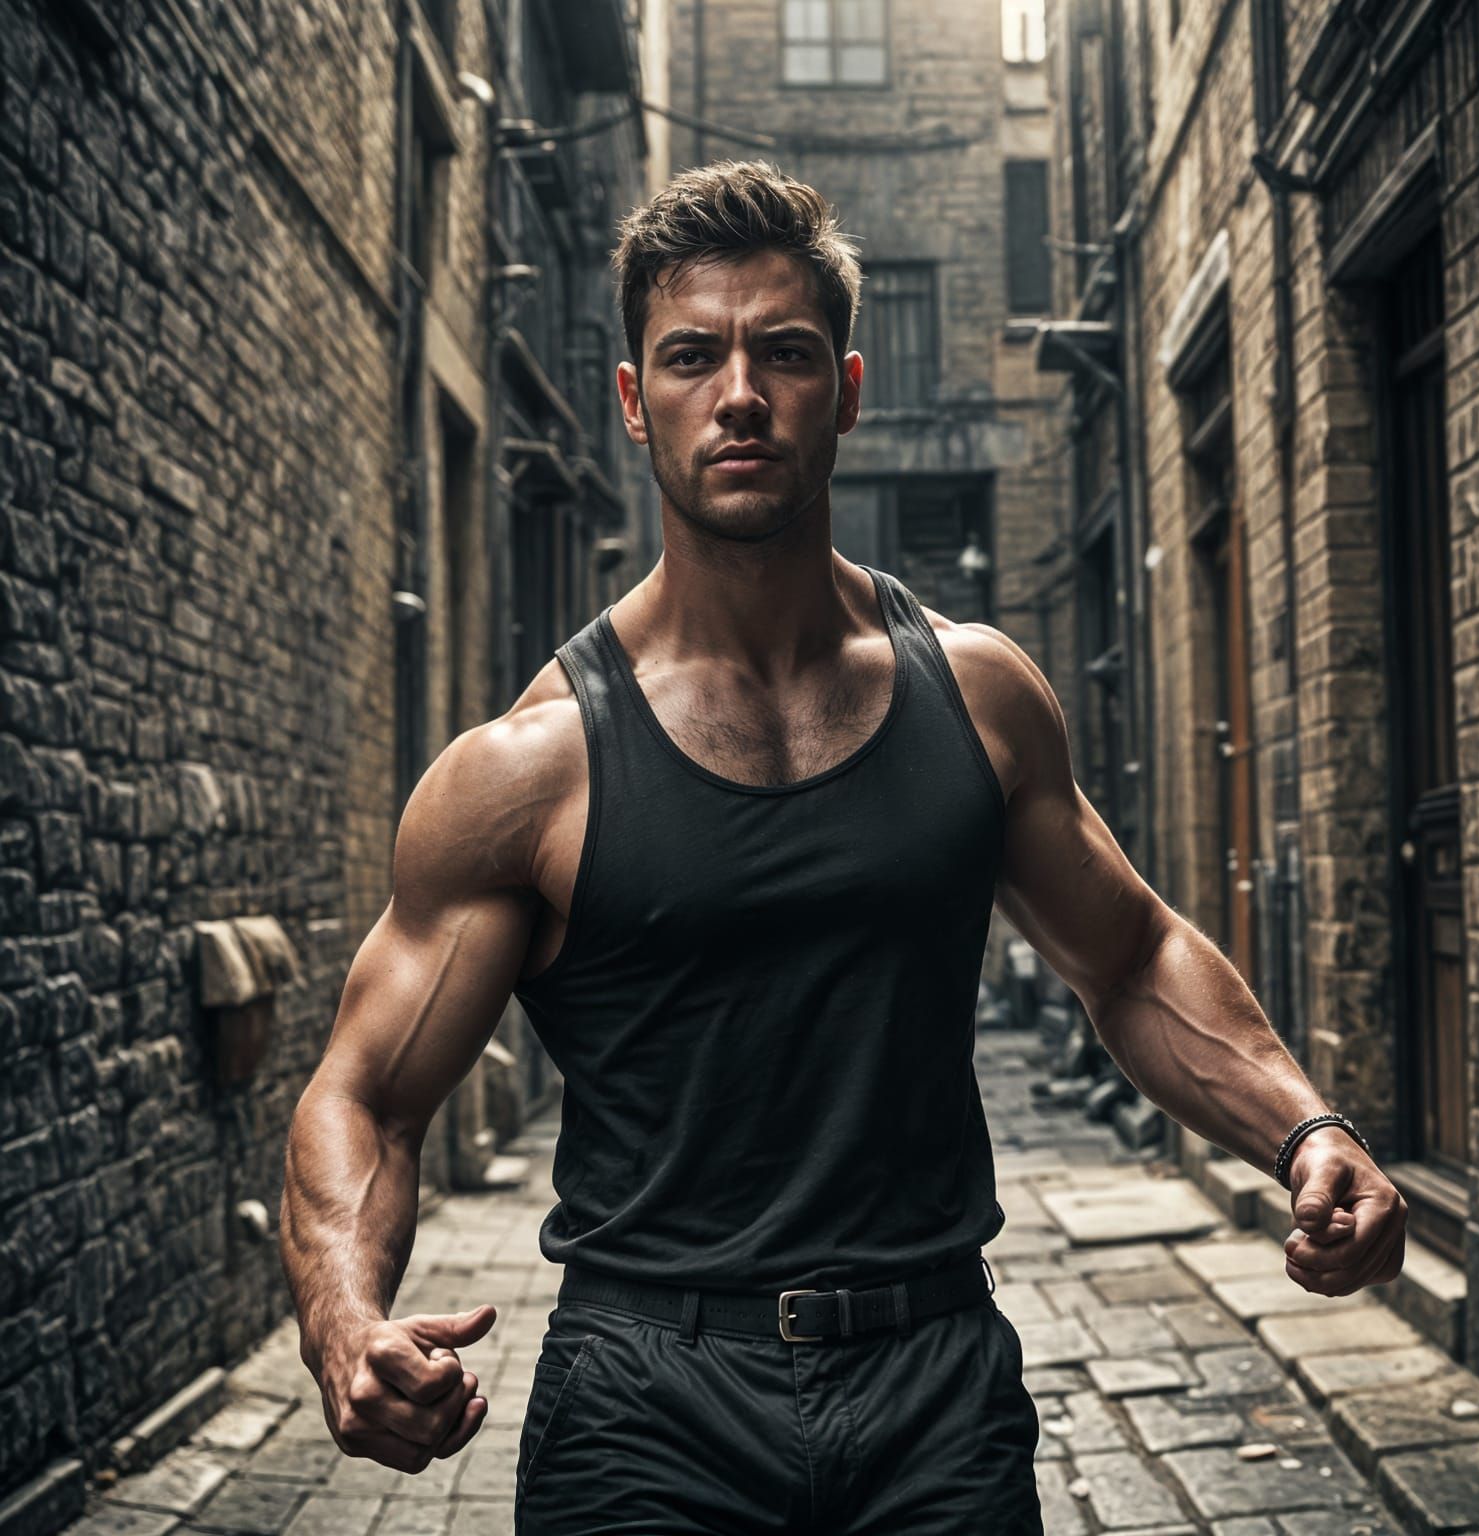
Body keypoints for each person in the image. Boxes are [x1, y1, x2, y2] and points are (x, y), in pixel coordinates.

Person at [278, 160, 1408, 1535]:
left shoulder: (979, 696)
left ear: (850, 391)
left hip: (935, 1385)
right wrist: (344, 1318)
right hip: (646, 1398)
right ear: (637, 403)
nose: (740, 393)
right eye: (692, 356)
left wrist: (1307, 1124)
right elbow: (369, 1097)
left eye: (786, 354)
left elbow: (1130, 958)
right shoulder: (527, 773)